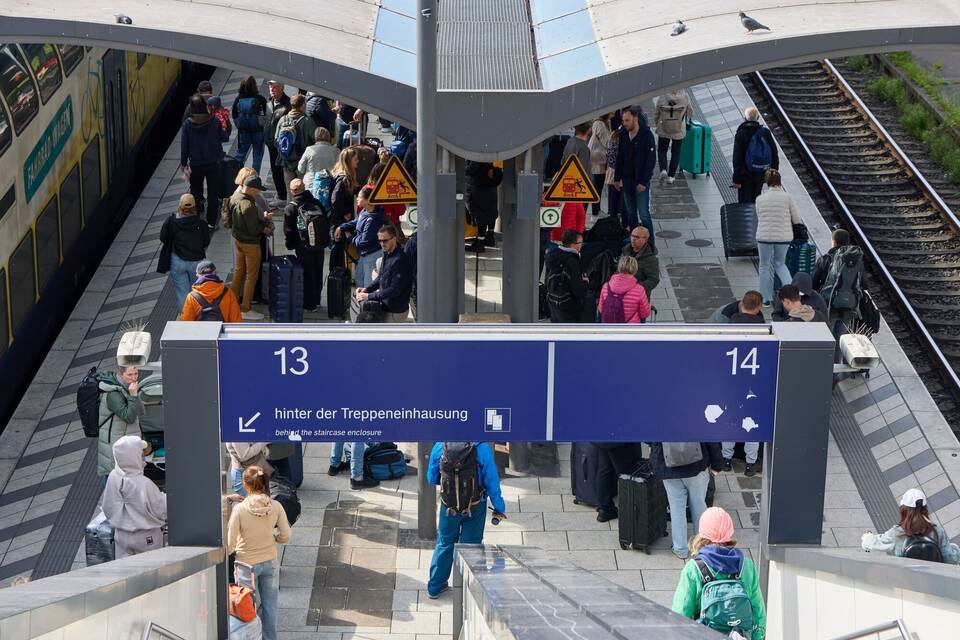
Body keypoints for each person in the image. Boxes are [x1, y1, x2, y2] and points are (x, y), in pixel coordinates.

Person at [426, 442, 506, 599]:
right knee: (472, 547)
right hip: (475, 506)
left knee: (444, 543)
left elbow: (431, 477)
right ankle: (471, 589)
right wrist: (499, 506)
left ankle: (435, 587)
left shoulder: (441, 445)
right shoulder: (482, 448)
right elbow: (492, 481)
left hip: (448, 506)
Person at [672, 507, 766, 639]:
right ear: (730, 533)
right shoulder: (747, 566)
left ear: (702, 534)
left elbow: (680, 613)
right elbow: (758, 610)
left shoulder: (693, 569)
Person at [226, 466, 291, 640]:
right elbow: (286, 534)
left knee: (247, 607)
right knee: (270, 606)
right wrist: (275, 539)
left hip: (246, 565)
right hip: (270, 560)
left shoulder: (239, 509)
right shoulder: (276, 506)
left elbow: (230, 544)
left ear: (245, 484)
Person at [648, 440, 724, 559]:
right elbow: (710, 438)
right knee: (699, 506)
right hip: (697, 466)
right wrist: (717, 464)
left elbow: (648, 438)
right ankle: (700, 546)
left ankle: (680, 549)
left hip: (668, 467)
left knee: (676, 509)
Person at [102, 436, 167, 559]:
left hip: (121, 535)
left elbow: (107, 507)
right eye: (140, 454)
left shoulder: (113, 477)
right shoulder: (144, 484)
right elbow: (160, 509)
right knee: (151, 568)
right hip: (146, 537)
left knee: (125, 569)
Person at [861, 489, 960, 564]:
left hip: (906, 580)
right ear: (925, 508)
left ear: (904, 509)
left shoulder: (897, 532)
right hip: (932, 580)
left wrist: (867, 537)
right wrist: (954, 548)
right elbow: (950, 559)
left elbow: (871, 543)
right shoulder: (937, 531)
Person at [180, 93, 228, 229]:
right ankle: (211, 222)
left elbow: (184, 146)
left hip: (196, 164)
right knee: (213, 194)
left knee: (196, 193)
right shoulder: (214, 121)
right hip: (213, 163)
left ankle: (196, 220)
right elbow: (224, 137)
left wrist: (183, 163)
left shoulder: (187, 125)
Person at [755, 169, 801, 306]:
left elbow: (759, 216)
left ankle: (766, 299)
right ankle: (792, 296)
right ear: (780, 182)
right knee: (780, 264)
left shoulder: (760, 198)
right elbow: (797, 219)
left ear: (766, 182)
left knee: (764, 266)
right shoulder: (788, 197)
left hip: (764, 237)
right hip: (783, 237)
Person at [229, 175, 270, 320]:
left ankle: (232, 303)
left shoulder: (234, 198)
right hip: (251, 244)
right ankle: (245, 308)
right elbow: (254, 229)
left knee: (238, 273)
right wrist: (265, 220)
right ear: (252, 189)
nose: (259, 193)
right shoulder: (249, 206)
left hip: (238, 241)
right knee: (251, 277)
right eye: (258, 190)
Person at [159, 193, 210, 309]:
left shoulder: (171, 221)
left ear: (180, 207)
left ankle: (185, 316)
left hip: (177, 261)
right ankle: (197, 314)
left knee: (182, 293)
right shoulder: (201, 224)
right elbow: (206, 242)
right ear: (195, 207)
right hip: (196, 262)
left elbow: (163, 238)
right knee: (197, 291)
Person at [283, 179, 328, 311]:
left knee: (307, 274)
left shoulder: (291, 207)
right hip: (319, 244)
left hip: (303, 245)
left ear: (292, 191)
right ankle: (317, 300)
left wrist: (290, 244)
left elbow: (288, 230)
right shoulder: (316, 203)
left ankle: (309, 304)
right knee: (318, 271)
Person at [613, 105, 657, 240]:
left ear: (635, 119)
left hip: (640, 181)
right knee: (631, 212)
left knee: (643, 213)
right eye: (623, 121)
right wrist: (617, 178)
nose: (624, 123)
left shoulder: (646, 135)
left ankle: (650, 243)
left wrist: (643, 181)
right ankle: (634, 241)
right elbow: (620, 157)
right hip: (627, 180)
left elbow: (650, 161)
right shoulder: (623, 134)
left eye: (627, 120)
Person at [97, 365, 143, 487]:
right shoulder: (113, 394)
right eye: (130, 375)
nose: (134, 378)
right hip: (115, 441)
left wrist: (134, 396)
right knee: (113, 475)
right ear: (121, 374)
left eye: (136, 373)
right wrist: (133, 396)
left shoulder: (126, 388)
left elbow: (141, 412)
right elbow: (129, 417)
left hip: (123, 437)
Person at [357, 225, 413, 323]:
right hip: (386, 306)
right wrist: (367, 289)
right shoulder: (387, 253)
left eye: (385, 241)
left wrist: (369, 296)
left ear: (394, 239)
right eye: (380, 241)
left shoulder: (400, 260)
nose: (382, 244)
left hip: (395, 311)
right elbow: (381, 277)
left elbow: (395, 290)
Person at [334, 186, 384, 289]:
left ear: (368, 200)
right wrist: (341, 227)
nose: (357, 198)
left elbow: (363, 242)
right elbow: (356, 222)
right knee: (359, 279)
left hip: (372, 255)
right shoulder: (365, 211)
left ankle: (366, 300)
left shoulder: (373, 219)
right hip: (364, 254)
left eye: (360, 197)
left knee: (368, 285)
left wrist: (350, 237)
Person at [732, 107, 778, 204]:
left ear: (745, 118)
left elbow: (737, 158)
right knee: (757, 199)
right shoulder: (765, 132)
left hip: (745, 175)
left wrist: (736, 179)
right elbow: (774, 153)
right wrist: (773, 174)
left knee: (744, 203)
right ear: (757, 118)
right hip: (761, 173)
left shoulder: (741, 133)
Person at [544, 229, 588, 323]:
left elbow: (547, 280)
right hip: (568, 308)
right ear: (572, 245)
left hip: (553, 303)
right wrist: (585, 283)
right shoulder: (572, 262)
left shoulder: (553, 256)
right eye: (580, 242)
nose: (582, 245)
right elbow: (577, 290)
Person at [274, 94, 316, 189]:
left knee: (290, 191)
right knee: (303, 189)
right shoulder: (307, 121)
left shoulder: (283, 119)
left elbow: (276, 141)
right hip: (302, 160)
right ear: (303, 105)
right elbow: (315, 140)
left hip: (286, 160)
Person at [179, 260, 243, 322]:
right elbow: (236, 320)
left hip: (199, 329)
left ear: (197, 275)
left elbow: (185, 322)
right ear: (215, 272)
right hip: (221, 329)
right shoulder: (228, 293)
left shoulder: (191, 297)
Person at [329, 147, 361, 270]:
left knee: (338, 253)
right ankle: (336, 277)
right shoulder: (344, 179)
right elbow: (335, 200)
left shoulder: (340, 175)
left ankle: (338, 275)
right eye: (355, 159)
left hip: (337, 222)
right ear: (348, 161)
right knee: (337, 253)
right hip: (339, 223)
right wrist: (344, 214)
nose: (358, 161)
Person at [594, 443, 642, 522]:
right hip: (619, 440)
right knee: (628, 474)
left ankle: (605, 509)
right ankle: (632, 512)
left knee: (605, 469)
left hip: (603, 439)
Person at [597, 256, 652, 323]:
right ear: (635, 270)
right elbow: (645, 313)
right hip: (630, 327)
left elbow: (601, 309)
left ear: (619, 268)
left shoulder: (606, 287)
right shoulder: (639, 290)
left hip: (609, 327)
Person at [654, 89, 693, 183]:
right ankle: (671, 176)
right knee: (676, 152)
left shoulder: (663, 96)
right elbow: (690, 113)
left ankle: (663, 169)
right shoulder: (685, 97)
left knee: (662, 150)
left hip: (664, 128)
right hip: (678, 129)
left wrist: (657, 123)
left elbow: (657, 113)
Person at [465, 161, 503, 252]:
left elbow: (472, 169)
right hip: (489, 182)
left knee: (480, 214)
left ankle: (480, 243)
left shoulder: (476, 153)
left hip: (478, 186)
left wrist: (462, 168)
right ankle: (490, 236)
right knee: (490, 211)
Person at [232, 75, 268, 170]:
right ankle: (254, 176)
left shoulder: (238, 99)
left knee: (240, 155)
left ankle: (237, 173)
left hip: (244, 132)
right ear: (255, 86)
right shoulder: (260, 99)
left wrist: (240, 126)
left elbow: (234, 115)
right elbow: (265, 116)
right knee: (257, 156)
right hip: (258, 132)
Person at [263, 80, 291, 201]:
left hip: (282, 143)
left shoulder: (287, 104)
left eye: (274, 87)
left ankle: (286, 195)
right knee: (275, 170)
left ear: (282, 88)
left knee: (284, 170)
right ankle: (281, 195)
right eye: (270, 87)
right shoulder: (269, 103)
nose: (271, 90)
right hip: (271, 143)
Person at [620, 226, 660, 297]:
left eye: (637, 237)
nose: (633, 239)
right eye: (632, 236)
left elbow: (653, 280)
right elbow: (618, 269)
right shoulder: (625, 251)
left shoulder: (651, 259)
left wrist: (635, 288)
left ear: (645, 239)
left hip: (638, 297)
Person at [589, 114, 613, 218]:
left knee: (597, 187)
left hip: (597, 160)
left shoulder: (600, 122)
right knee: (597, 187)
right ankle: (595, 212)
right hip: (598, 162)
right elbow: (607, 142)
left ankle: (596, 210)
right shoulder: (600, 124)